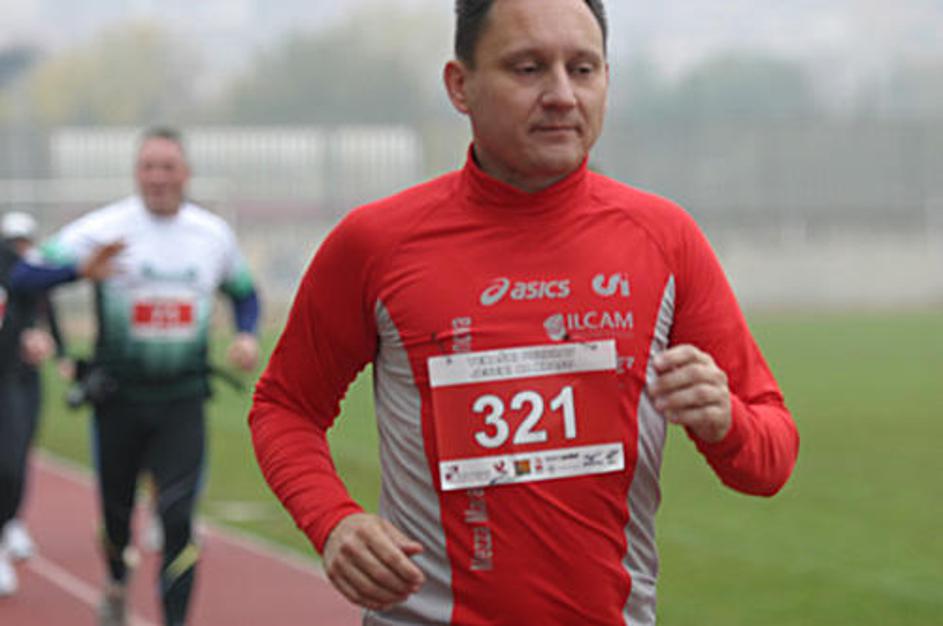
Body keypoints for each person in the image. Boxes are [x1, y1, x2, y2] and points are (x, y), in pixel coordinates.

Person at [248, 0, 800, 624]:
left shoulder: (664, 239)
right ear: (460, 85)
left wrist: (725, 421)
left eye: (583, 69)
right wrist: (332, 520)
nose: (562, 95)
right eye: (529, 68)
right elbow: (284, 406)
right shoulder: (376, 243)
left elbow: (772, 459)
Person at [11, 126, 261, 626]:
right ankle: (115, 583)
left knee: (177, 517)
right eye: (148, 167)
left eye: (168, 167)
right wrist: (80, 270)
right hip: (119, 399)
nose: (158, 178)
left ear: (186, 173)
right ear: (136, 173)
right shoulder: (105, 228)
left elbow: (244, 292)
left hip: (182, 400)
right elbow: (22, 277)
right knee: (117, 517)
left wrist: (246, 334)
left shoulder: (211, 234)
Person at [0, 211, 65, 596]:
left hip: (10, 377)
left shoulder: (14, 266)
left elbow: (36, 306)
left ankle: (8, 526)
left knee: (11, 462)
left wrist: (36, 335)